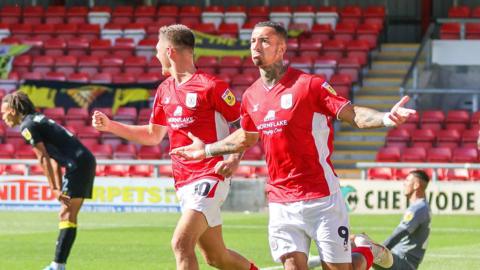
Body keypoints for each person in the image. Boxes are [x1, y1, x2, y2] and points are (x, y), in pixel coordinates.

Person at [170, 21, 416, 270]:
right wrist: (208, 150)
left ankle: (366, 249)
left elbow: (353, 115)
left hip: (321, 196)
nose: (256, 46)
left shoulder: (309, 85)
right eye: (253, 40)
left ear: (281, 49)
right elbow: (246, 136)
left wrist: (386, 118)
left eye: (264, 40)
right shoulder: (251, 96)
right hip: (280, 199)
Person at [92, 24, 257, 270]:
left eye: (157, 49)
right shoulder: (164, 90)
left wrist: (233, 159)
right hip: (183, 182)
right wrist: (111, 126)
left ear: (169, 52)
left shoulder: (211, 86)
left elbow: (247, 127)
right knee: (216, 257)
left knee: (181, 243)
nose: (155, 55)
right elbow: (152, 135)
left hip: (210, 175)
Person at [1, 91, 96, 270]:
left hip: (78, 164)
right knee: (67, 214)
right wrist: (58, 188)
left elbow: (43, 158)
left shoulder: (27, 126)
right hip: (81, 162)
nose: (3, 118)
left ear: (13, 111)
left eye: (3, 113)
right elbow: (53, 159)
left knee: (66, 214)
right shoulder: (36, 119)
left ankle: (57, 266)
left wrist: (53, 189)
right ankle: (58, 265)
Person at [309, 170, 431, 270]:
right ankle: (314, 262)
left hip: (404, 263)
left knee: (358, 242)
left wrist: (381, 249)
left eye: (408, 180)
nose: (404, 183)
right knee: (355, 241)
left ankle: (313, 262)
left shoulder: (418, 208)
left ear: (416, 185)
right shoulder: (423, 207)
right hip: (403, 260)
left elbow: (399, 234)